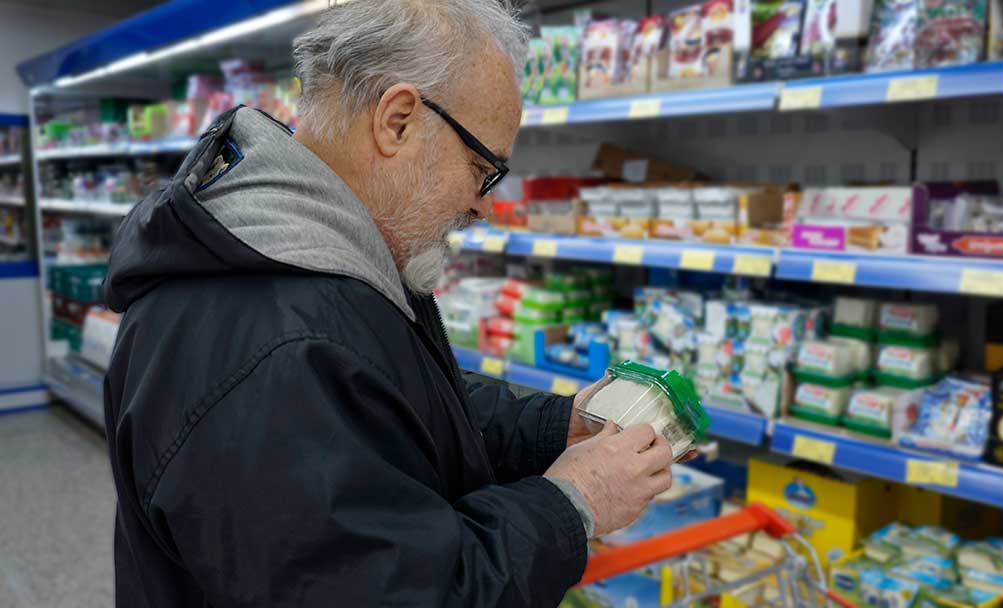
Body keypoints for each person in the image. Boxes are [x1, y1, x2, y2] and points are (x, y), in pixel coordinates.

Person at [103, 1, 678, 606]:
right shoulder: (274, 344)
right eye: (483, 168)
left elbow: (388, 402)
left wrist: (555, 426)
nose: (483, 205)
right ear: (398, 120)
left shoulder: (309, 265)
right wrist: (572, 503)